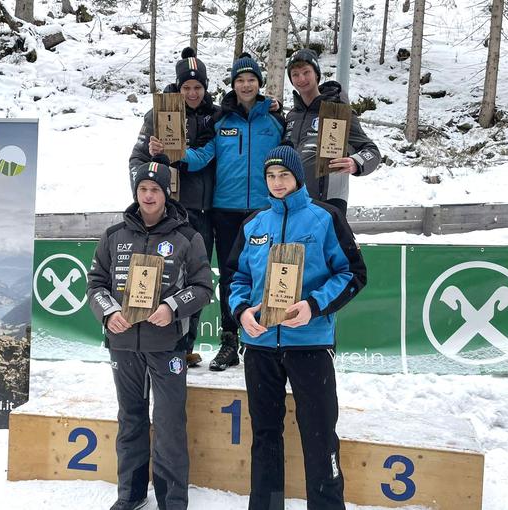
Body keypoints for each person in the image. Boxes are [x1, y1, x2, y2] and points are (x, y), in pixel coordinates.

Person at [227, 144, 367, 509]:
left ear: (298, 177)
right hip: (259, 347)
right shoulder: (253, 224)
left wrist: (314, 305)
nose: (277, 183)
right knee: (266, 435)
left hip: (310, 344)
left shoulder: (325, 218)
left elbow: (353, 273)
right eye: (270, 177)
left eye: (284, 175)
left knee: (320, 437)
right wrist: (241, 312)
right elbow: (235, 278)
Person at [87, 155, 213, 510]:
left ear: (166, 193)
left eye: (154, 189)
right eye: (142, 188)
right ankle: (131, 494)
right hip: (123, 344)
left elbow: (204, 287)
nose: (148, 195)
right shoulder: (114, 235)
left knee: (170, 422)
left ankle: (173, 500)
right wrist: (109, 313)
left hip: (167, 344)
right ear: (136, 191)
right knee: (130, 419)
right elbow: (96, 283)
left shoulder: (188, 236)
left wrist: (171, 307)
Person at [150, 53, 285, 372]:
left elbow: (288, 157)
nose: (246, 84)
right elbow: (202, 156)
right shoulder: (220, 120)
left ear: (259, 84)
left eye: (251, 79)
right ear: (233, 84)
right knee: (230, 276)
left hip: (265, 211)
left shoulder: (276, 120)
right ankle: (229, 341)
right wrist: (173, 154)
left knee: (267, 276)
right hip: (225, 210)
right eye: (240, 80)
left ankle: (266, 343)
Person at [129, 47, 219, 368]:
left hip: (205, 212)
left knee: (197, 280)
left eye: (198, 87)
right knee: (162, 277)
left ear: (206, 87)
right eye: (186, 87)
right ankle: (153, 342)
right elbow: (136, 161)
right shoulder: (158, 115)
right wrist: (145, 201)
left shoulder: (217, 116)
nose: (192, 93)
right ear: (178, 87)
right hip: (170, 213)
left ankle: (186, 345)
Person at [284, 48, 381, 215]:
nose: (301, 79)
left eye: (306, 72)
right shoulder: (292, 116)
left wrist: (355, 163)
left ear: (317, 75)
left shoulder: (338, 111)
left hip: (328, 202)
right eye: (295, 74)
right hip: (293, 201)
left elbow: (372, 152)